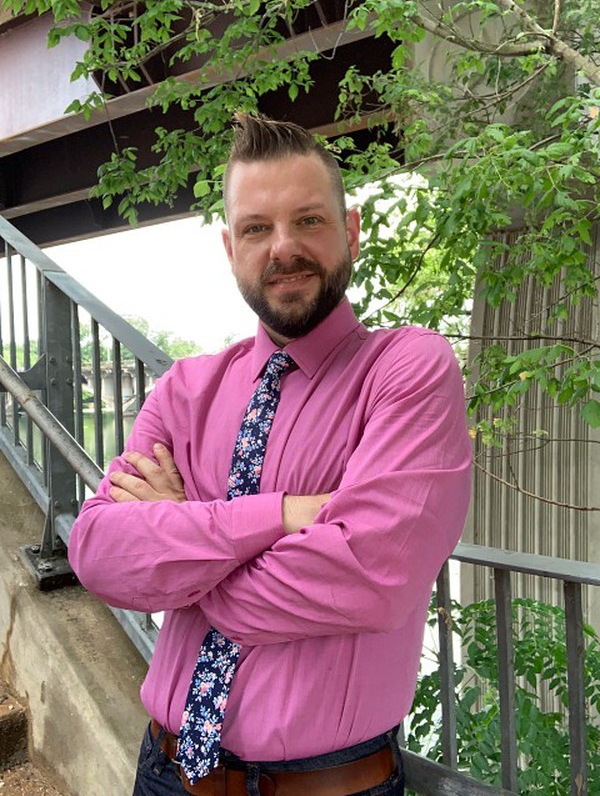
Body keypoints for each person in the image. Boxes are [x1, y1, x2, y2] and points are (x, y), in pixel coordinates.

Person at [68, 113, 472, 796]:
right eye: (257, 228)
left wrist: (184, 540)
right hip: (165, 773)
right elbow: (99, 553)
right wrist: (279, 517)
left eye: (309, 221)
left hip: (330, 785)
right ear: (231, 249)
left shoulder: (407, 369)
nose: (283, 247)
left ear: (350, 231)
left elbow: (368, 577)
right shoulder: (185, 390)